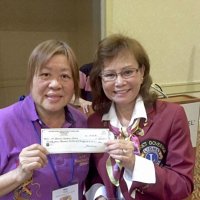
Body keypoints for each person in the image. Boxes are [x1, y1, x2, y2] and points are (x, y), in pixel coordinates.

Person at [85, 34, 195, 200]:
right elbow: (94, 176)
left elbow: (183, 184)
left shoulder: (172, 116)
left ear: (142, 72)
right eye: (110, 75)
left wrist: (135, 164)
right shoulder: (94, 122)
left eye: (127, 72)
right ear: (100, 78)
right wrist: (99, 195)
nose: (119, 82)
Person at [0, 40, 90, 199]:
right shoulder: (4, 122)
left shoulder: (81, 122)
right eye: (45, 74)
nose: (55, 84)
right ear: (31, 79)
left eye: (64, 76)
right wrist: (18, 174)